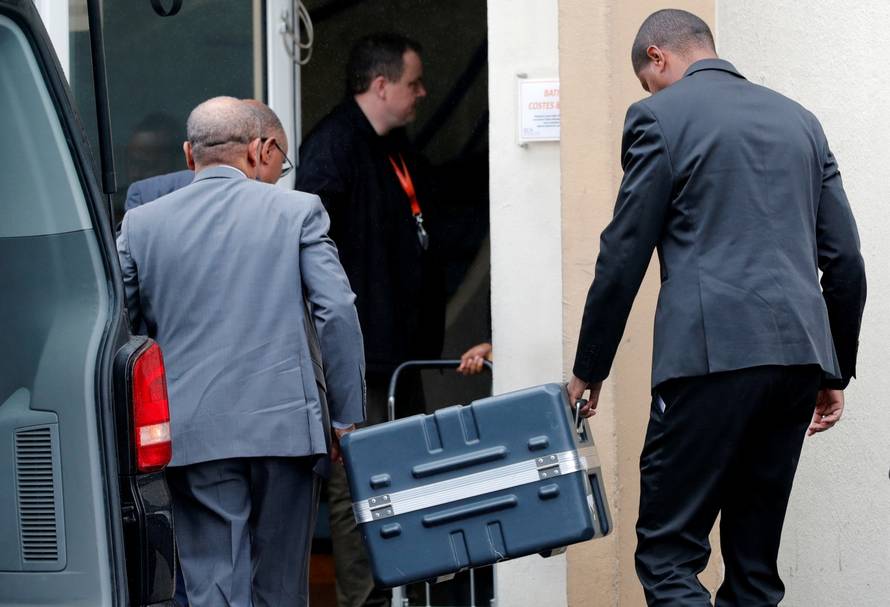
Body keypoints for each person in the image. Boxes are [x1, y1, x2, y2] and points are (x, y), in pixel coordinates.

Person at [566, 10, 866, 607]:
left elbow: (623, 255)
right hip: (797, 363)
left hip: (708, 358)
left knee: (668, 553)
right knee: (755, 566)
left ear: (658, 57)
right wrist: (833, 367)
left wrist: (588, 368)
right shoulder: (800, 121)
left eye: (649, 80)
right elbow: (847, 259)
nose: (649, 93)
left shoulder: (657, 118)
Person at [117, 96, 365, 607]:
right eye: (279, 161)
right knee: (279, 587)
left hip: (194, 433)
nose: (277, 174)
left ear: (191, 155)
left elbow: (119, 327)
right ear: (260, 148)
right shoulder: (299, 211)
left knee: (213, 586)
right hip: (287, 432)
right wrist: (343, 418)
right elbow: (337, 311)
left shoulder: (141, 225)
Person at [294, 33, 444, 607]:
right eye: (413, 83)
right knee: (359, 485)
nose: (422, 93)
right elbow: (314, 267)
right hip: (360, 359)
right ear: (381, 86)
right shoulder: (333, 149)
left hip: (401, 354)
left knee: (406, 478)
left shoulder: (396, 147)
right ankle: (366, 601)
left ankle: (408, 591)